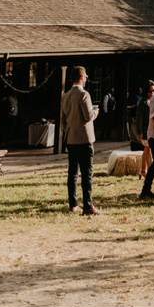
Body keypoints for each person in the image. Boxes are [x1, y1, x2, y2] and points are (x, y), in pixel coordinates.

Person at [60, 62, 98, 215]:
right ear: (82, 77)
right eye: (86, 77)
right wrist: (96, 112)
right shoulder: (84, 94)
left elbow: (62, 118)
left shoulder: (66, 96)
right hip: (84, 137)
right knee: (87, 172)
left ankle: (73, 204)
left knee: (73, 173)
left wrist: (67, 130)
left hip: (71, 138)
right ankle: (88, 205)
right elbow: (88, 117)